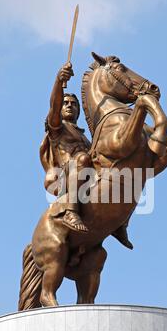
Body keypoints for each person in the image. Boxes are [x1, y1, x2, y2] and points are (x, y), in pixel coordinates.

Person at [40, 63, 133, 247]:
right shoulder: (56, 128)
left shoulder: (84, 135)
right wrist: (60, 81)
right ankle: (70, 211)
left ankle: (120, 223)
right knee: (83, 158)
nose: (69, 106)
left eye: (74, 104)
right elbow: (54, 104)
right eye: (66, 103)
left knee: (127, 172)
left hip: (88, 172)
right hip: (68, 174)